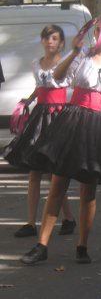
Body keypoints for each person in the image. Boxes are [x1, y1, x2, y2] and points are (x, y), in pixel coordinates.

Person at [19, 13, 101, 265]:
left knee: (88, 189)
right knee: (58, 183)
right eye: (98, 28)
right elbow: (57, 77)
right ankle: (42, 244)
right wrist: (74, 51)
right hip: (73, 119)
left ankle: (82, 245)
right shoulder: (83, 57)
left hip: (99, 124)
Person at [3, 25, 76, 237]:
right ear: (42, 41)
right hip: (39, 115)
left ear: (61, 43)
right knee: (34, 171)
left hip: (58, 116)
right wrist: (30, 99)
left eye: (54, 38)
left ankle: (69, 218)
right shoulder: (36, 63)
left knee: (55, 172)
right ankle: (30, 223)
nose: (50, 41)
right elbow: (41, 85)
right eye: (46, 38)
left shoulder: (66, 63)